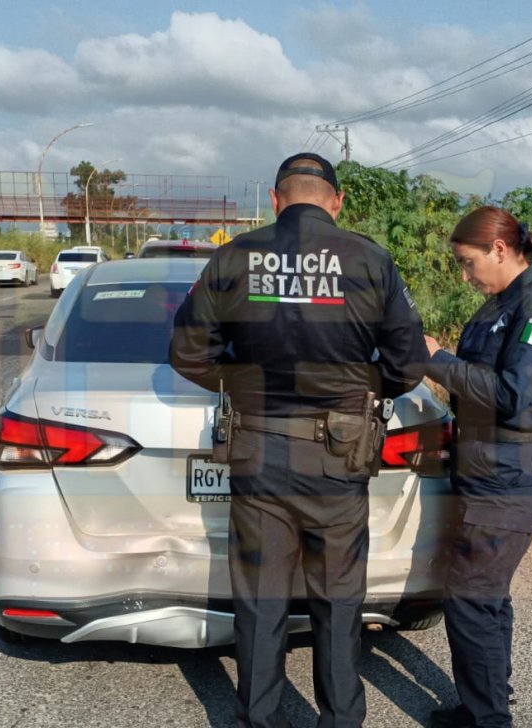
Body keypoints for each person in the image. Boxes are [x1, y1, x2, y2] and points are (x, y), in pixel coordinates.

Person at [170, 152, 428, 728]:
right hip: (340, 454)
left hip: (258, 452)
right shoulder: (370, 260)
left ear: (276, 199)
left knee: (260, 601)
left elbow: (186, 353)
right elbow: (408, 363)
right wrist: (360, 386)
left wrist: (241, 381)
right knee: (339, 601)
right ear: (335, 202)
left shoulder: (233, 257)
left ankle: (258, 718)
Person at [423, 206, 532, 728]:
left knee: (469, 598)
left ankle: (488, 719)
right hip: (486, 467)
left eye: (469, 264)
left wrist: (438, 359)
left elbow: (513, 395)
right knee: (486, 598)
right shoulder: (503, 303)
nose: (466, 277)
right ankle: (482, 707)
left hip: (512, 473)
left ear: (499, 249)